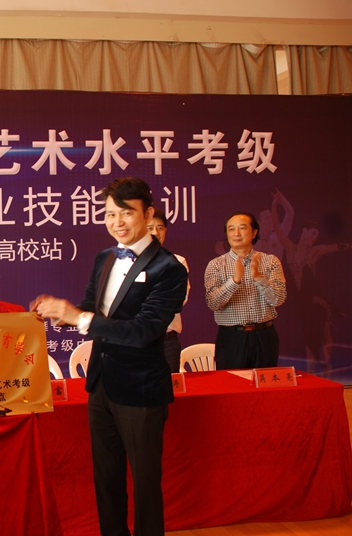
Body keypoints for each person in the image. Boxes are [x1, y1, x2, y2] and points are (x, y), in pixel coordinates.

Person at [31, 177, 188, 536]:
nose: (117, 222)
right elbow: (90, 307)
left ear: (147, 214)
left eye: (126, 213)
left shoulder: (169, 268)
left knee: (145, 483)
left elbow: (144, 331)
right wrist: (59, 313)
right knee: (106, 478)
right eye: (109, 214)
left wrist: (79, 317)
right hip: (101, 383)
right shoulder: (105, 257)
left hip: (141, 389)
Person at [272, 190, 349, 375]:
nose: (315, 238)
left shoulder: (315, 251)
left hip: (316, 300)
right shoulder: (289, 248)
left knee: (325, 335)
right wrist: (275, 206)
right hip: (302, 303)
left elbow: (335, 248)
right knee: (309, 338)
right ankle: (312, 372)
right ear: (304, 232)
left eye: (317, 235)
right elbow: (277, 228)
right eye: (313, 233)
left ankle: (327, 366)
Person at [205, 212, 286, 370]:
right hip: (232, 338)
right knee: (231, 383)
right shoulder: (216, 265)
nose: (236, 233)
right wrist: (234, 281)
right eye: (231, 229)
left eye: (242, 228)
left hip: (264, 335)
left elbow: (278, 299)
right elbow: (213, 303)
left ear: (254, 232)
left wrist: (259, 278)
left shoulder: (270, 261)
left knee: (264, 383)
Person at [147, 208, 190, 373]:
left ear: (165, 231)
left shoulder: (178, 262)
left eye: (160, 228)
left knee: (170, 386)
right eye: (150, 228)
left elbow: (180, 298)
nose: (155, 232)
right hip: (139, 340)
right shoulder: (129, 262)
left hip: (167, 341)